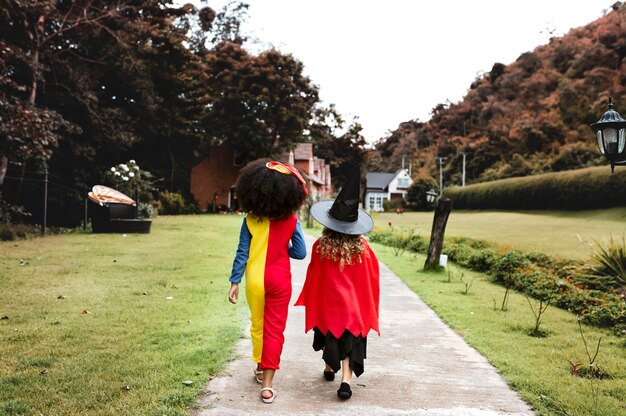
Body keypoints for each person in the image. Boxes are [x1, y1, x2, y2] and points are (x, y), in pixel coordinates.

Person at [227, 159, 308, 404]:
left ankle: (260, 366)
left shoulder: (250, 220)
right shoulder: (292, 219)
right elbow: (301, 252)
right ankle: (268, 386)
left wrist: (234, 281)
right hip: (280, 280)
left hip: (254, 280)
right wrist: (285, 251)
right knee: (275, 330)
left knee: (258, 325)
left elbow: (242, 252)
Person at [295, 167, 380, 400]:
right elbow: (372, 281)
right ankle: (345, 380)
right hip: (353, 309)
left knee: (328, 333)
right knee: (350, 339)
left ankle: (328, 367)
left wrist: (313, 300)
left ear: (329, 223)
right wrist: (367, 306)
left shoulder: (320, 247)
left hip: (329, 306)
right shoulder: (365, 250)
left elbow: (314, 277)